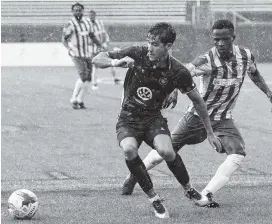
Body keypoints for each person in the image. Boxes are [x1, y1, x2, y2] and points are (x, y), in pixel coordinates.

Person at [121, 20, 272, 208]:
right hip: (196, 117)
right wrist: (173, 90)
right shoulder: (206, 59)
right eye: (216, 39)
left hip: (224, 118)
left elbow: (254, 73)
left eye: (225, 39)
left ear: (233, 37)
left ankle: (207, 193)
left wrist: (268, 92)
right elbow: (184, 72)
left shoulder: (245, 55)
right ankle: (134, 176)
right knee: (166, 151)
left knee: (238, 153)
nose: (220, 43)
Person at [92, 22, 221, 219]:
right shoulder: (138, 53)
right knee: (129, 149)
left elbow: (198, 102)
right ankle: (154, 199)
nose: (149, 48)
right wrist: (113, 63)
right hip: (128, 119)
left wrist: (210, 132)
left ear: (168, 46)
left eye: (155, 44)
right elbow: (97, 59)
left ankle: (189, 189)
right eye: (149, 42)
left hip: (153, 119)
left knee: (167, 151)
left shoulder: (178, 72)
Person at [62, 3, 102, 109]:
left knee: (88, 78)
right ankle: (73, 98)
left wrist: (99, 44)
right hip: (76, 54)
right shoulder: (70, 24)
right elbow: (64, 39)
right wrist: (68, 47)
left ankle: (79, 100)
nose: (78, 12)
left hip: (87, 53)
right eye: (76, 10)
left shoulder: (87, 22)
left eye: (80, 10)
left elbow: (92, 35)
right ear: (73, 12)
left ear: (83, 11)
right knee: (83, 76)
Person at [88, 10, 120, 90]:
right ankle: (94, 83)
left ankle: (115, 78)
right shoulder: (87, 25)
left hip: (103, 48)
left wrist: (105, 43)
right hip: (94, 49)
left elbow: (104, 34)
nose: (91, 17)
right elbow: (88, 39)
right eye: (90, 15)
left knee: (111, 61)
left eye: (92, 15)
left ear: (95, 15)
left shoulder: (99, 23)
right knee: (95, 66)